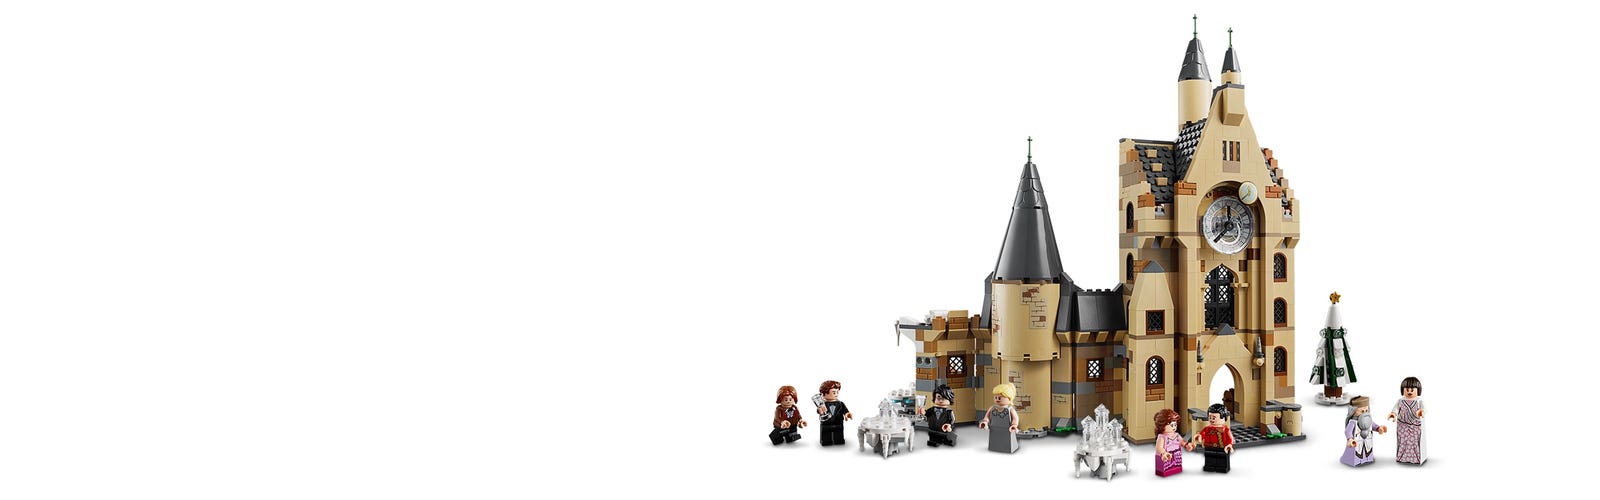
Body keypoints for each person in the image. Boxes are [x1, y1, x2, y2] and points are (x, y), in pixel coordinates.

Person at [1387, 376, 1427, 464]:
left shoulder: (1419, 401)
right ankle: (1401, 457)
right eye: (1407, 389)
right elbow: (1395, 409)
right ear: (1403, 390)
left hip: (1415, 426)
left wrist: (1421, 412)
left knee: (1414, 442)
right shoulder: (1400, 401)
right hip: (1402, 425)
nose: (1409, 392)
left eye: (1412, 390)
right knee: (1402, 441)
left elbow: (1424, 409)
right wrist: (1393, 414)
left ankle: (1416, 458)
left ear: (1418, 390)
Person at [1340, 395, 1386, 466]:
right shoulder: (1353, 422)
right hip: (1355, 441)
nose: (1364, 413)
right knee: (1357, 450)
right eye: (1362, 411)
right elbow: (1347, 431)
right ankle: (1354, 461)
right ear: (1353, 411)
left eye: (1366, 410)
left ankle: (1367, 459)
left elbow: (1373, 425)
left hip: (1367, 439)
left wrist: (1379, 428)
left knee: (1367, 448)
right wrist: (1350, 439)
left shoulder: (1368, 420)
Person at [1191, 403, 1234, 473]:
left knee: (1222, 459)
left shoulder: (1225, 430)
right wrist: (1199, 436)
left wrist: (1229, 445)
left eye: (1214, 418)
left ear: (1223, 418)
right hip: (1209, 447)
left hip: (1222, 448)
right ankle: (1209, 466)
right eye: (1210, 417)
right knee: (1209, 458)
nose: (1211, 420)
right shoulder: (1207, 429)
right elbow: (1203, 433)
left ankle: (1222, 467)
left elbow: (1230, 438)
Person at [978, 383, 1019, 453]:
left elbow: (1015, 418)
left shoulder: (1010, 409)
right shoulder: (992, 408)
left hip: (1007, 430)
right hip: (994, 429)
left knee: (1008, 441)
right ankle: (995, 448)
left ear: (1009, 398)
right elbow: (987, 417)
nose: (997, 399)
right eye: (995, 397)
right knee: (994, 441)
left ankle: (1007, 449)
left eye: (1000, 398)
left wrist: (1014, 425)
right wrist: (985, 422)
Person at [1153, 408, 1194, 477]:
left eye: (1175, 425)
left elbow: (1182, 442)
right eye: (1171, 425)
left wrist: (1187, 445)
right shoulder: (1162, 437)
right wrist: (1163, 453)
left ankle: (1176, 469)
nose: (1174, 427)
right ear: (1162, 425)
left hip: (1176, 454)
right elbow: (1158, 448)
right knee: (1167, 466)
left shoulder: (1176, 435)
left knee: (1176, 465)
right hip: (1166, 456)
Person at [815, 380, 852, 446]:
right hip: (826, 424)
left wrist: (847, 414)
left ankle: (839, 440)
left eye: (837, 392)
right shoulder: (823, 404)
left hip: (838, 423)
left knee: (839, 434)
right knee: (826, 435)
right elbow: (819, 411)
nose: (836, 394)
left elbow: (845, 410)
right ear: (824, 394)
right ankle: (826, 441)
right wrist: (820, 411)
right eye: (834, 392)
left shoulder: (840, 403)